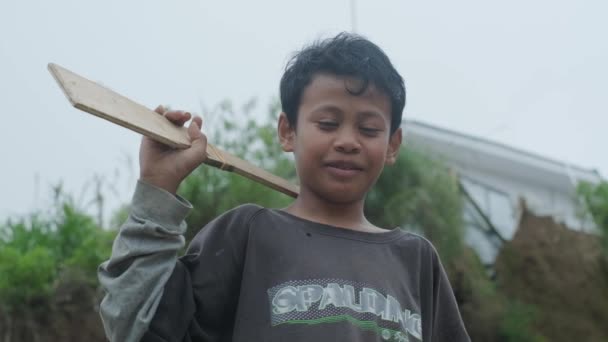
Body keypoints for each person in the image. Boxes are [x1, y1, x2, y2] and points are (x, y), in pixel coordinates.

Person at [98, 32, 470, 342]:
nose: (347, 141)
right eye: (327, 123)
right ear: (287, 131)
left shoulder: (415, 260)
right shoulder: (247, 235)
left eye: (369, 129)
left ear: (392, 144)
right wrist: (157, 189)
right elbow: (133, 324)